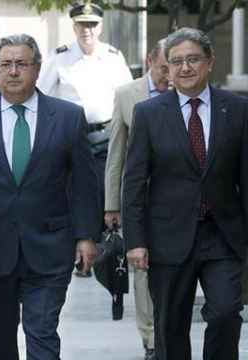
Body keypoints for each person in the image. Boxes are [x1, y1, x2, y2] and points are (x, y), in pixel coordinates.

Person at [0, 33, 100, 360]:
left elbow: (85, 182)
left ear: (37, 68)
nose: (13, 72)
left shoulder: (68, 117)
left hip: (49, 245)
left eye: (21, 64)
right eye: (5, 64)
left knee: (41, 332)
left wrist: (86, 235)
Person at [123, 27, 248, 360]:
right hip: (168, 237)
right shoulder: (149, 114)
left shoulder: (237, 109)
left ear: (210, 62)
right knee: (170, 326)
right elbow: (134, 180)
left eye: (193, 59)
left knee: (225, 313)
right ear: (167, 67)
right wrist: (135, 241)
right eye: (176, 61)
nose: (185, 68)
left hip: (223, 235)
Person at [37, 0, 132, 277]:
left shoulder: (114, 57)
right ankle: (78, 245)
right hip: (71, 137)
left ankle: (100, 249)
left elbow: (126, 98)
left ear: (100, 26)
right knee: (73, 191)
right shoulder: (59, 57)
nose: (87, 30)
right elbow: (44, 96)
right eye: (81, 25)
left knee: (104, 192)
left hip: (106, 135)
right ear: (74, 26)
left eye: (92, 25)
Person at [104, 39, 169, 360]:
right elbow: (116, 153)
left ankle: (168, 331)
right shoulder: (127, 94)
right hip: (139, 198)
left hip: (179, 200)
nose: (169, 76)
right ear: (149, 61)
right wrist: (111, 204)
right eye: (163, 69)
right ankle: (151, 338)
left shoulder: (187, 90)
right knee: (142, 268)